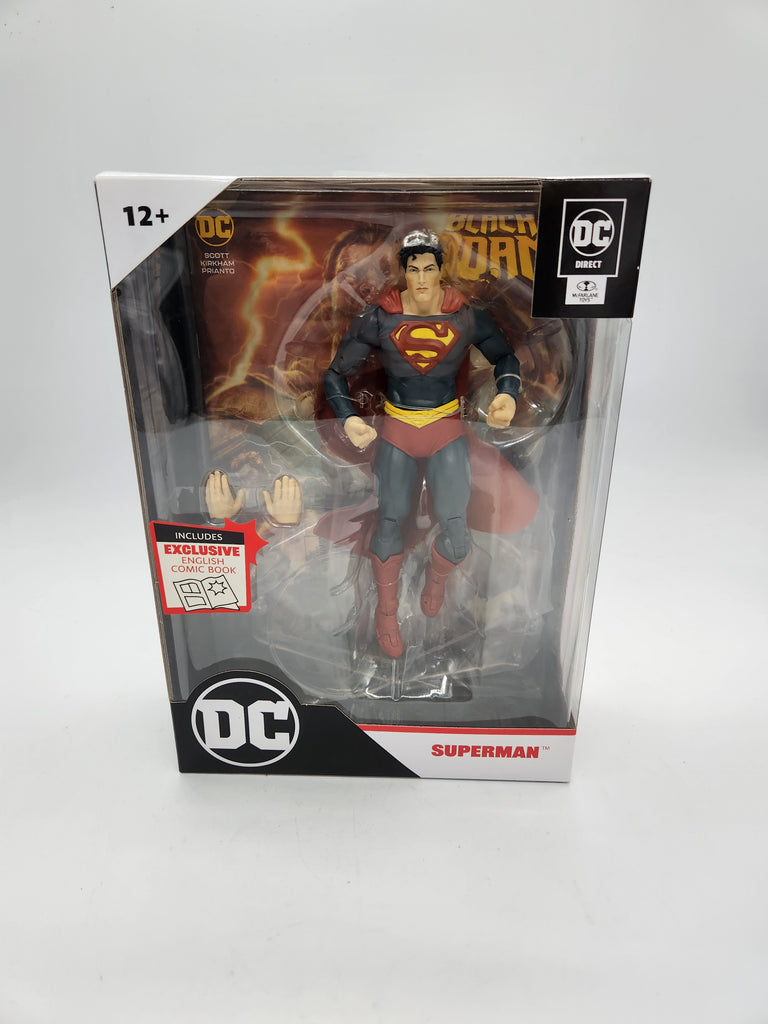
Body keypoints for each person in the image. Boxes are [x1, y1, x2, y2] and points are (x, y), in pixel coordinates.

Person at [323, 229, 525, 658]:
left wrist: (507, 393)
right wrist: (350, 419)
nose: (420, 278)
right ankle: (386, 612)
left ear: (439, 270)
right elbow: (335, 374)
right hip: (397, 430)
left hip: (445, 429)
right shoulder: (380, 318)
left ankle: (436, 580)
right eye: (413, 270)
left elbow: (506, 356)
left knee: (457, 535)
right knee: (389, 524)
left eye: (428, 269)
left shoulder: (465, 317)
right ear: (404, 272)